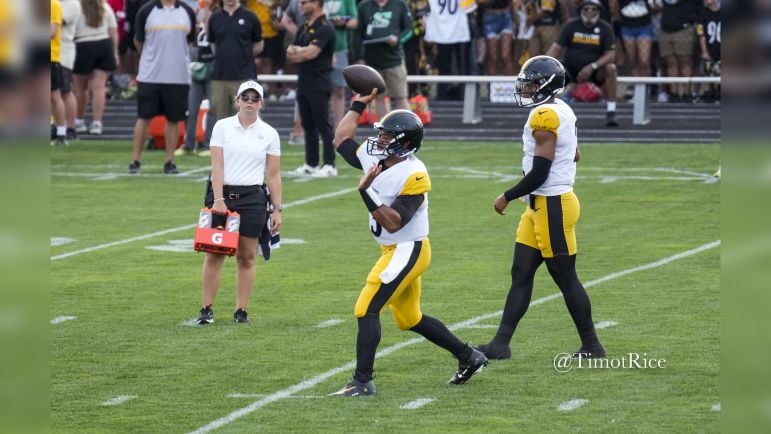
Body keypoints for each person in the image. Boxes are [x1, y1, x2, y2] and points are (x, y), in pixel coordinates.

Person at [328, 90, 488, 396]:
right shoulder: (380, 157)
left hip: (409, 249)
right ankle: (469, 356)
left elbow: (394, 221)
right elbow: (341, 140)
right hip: (394, 248)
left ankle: (362, 382)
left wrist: (366, 192)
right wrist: (358, 105)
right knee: (408, 318)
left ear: (404, 142)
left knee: (366, 309)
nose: (380, 140)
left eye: (388, 136)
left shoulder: (415, 173)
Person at [477, 55, 605, 361]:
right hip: (539, 206)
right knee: (521, 272)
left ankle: (592, 345)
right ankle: (501, 344)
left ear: (547, 85)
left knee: (565, 276)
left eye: (532, 84)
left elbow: (539, 173)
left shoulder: (545, 116)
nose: (526, 90)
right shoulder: (560, 109)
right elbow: (574, 153)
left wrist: (506, 196)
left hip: (553, 205)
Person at [196, 80, 283, 325]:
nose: (250, 102)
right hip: (223, 194)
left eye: (255, 98)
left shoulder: (269, 133)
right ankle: (206, 308)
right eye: (245, 97)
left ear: (261, 103)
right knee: (214, 254)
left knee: (246, 256)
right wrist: (219, 199)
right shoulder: (223, 127)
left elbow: (274, 174)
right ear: (237, 101)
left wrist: (277, 209)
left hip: (253, 198)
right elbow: (217, 165)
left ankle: (241, 310)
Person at [128, 0, 196, 175]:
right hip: (150, 75)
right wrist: (152, 59)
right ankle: (135, 161)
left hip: (178, 77)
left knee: (174, 119)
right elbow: (138, 41)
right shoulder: (146, 11)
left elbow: (190, 40)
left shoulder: (187, 11)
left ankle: (169, 161)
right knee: (144, 117)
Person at [546, 0, 619, 126]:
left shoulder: (606, 28)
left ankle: (611, 111)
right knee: (551, 68)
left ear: (599, 11)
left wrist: (592, 66)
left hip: (596, 71)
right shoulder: (571, 25)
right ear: (580, 11)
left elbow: (611, 55)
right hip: (570, 69)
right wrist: (544, 63)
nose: (589, 12)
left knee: (611, 68)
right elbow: (556, 48)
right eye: (586, 9)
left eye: (593, 9)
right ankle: (548, 112)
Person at [286, 0, 337, 177]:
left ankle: (330, 164)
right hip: (304, 80)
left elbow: (312, 53)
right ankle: (311, 163)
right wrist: (301, 52)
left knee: (322, 123)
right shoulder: (304, 27)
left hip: (319, 81)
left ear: (316, 3)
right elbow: (289, 53)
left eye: (305, 2)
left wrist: (299, 52)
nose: (301, 4)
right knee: (308, 124)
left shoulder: (325, 27)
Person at [355, 0, 413, 120]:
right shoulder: (364, 6)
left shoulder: (399, 4)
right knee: (379, 98)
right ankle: (386, 132)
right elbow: (357, 33)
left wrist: (398, 39)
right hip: (372, 60)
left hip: (394, 59)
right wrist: (358, 57)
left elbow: (409, 29)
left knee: (401, 97)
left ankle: (411, 131)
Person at [207, 0, 263, 123]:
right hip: (219, 77)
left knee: (246, 119)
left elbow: (259, 45)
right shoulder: (214, 18)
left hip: (244, 77)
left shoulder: (250, 17)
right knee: (220, 121)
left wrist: (243, 55)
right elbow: (213, 45)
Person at [72, 0, 119, 136]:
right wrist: (114, 51)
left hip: (82, 45)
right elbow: (113, 31)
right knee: (99, 87)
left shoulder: (76, 7)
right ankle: (97, 123)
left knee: (80, 87)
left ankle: (79, 120)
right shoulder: (104, 6)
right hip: (103, 45)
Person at [51, 0, 68, 146]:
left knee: (55, 95)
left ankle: (61, 133)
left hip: (51, 56)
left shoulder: (54, 4)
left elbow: (52, 31)